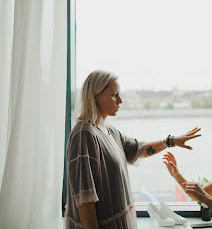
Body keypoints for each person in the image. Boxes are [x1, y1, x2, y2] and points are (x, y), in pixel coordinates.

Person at [65, 70, 201, 229]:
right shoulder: (84, 135)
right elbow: (84, 199)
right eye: (114, 95)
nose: (120, 101)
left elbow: (140, 149)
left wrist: (170, 141)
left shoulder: (109, 131)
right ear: (95, 96)